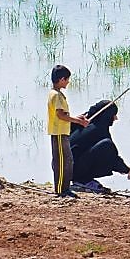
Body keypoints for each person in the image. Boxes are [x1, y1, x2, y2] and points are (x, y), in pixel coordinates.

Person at [70, 99, 130, 194]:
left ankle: (82, 178)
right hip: (73, 170)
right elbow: (112, 156)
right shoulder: (99, 130)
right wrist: (128, 170)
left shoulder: (80, 123)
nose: (115, 118)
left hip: (66, 169)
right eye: (113, 114)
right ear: (107, 115)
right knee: (107, 145)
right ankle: (82, 180)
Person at [47, 65, 89, 198]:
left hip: (63, 132)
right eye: (67, 79)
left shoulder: (57, 94)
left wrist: (77, 118)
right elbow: (60, 115)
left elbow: (64, 114)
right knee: (61, 161)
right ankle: (61, 189)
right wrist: (78, 122)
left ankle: (65, 188)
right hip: (58, 133)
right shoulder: (56, 96)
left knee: (68, 160)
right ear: (61, 79)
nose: (68, 82)